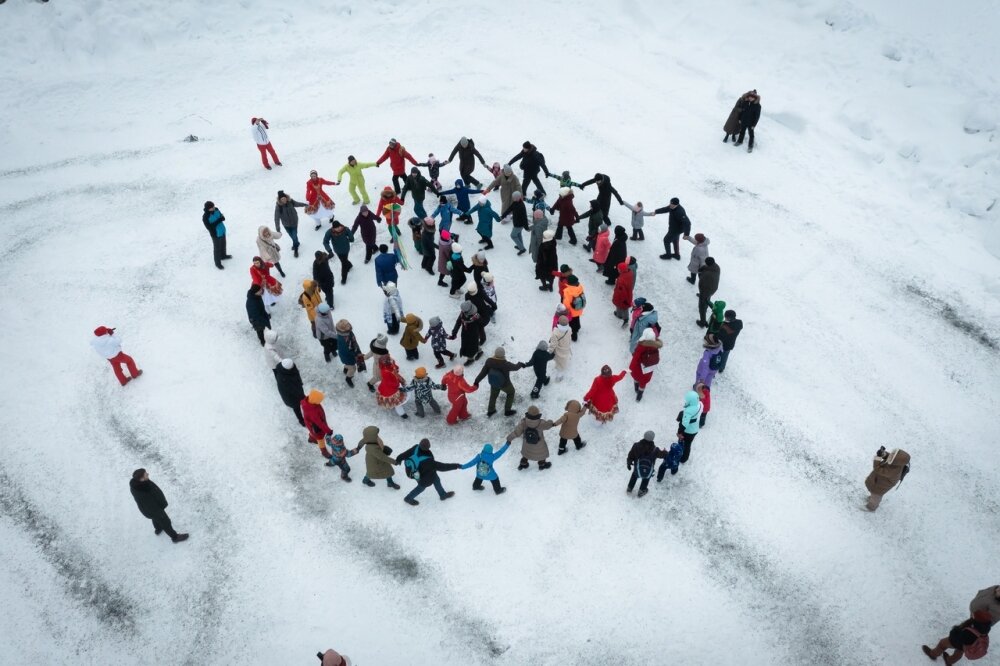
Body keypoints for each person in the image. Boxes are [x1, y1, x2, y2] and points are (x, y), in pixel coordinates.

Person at [129, 469, 189, 543]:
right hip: (154, 509)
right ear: (141, 479)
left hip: (152, 510)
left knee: (155, 518)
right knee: (165, 522)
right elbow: (152, 507)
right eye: (146, 474)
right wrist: (160, 510)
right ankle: (175, 537)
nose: (148, 474)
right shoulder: (143, 492)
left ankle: (158, 528)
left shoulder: (140, 484)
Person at [396, 438, 460, 505]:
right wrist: (456, 466)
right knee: (421, 487)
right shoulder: (428, 460)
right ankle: (408, 498)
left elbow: (404, 454)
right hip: (425, 476)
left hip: (413, 472)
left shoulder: (416, 447)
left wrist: (398, 459)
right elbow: (443, 467)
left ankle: (442, 495)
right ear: (429, 447)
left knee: (436, 480)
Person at [922, 610, 992, 665]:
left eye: (974, 616)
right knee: (958, 653)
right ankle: (949, 661)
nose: (972, 615)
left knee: (942, 644)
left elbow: (955, 637)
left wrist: (955, 630)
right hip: (966, 646)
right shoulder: (984, 628)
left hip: (959, 642)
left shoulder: (970, 631)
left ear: (977, 620)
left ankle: (933, 654)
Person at [472, 347, 524, 416]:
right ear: (503, 355)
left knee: (493, 396)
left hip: (494, 382)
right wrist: (520, 364)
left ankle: (491, 410)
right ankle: (507, 410)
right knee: (511, 392)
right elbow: (516, 367)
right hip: (505, 384)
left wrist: (476, 381)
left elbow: (483, 372)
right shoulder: (506, 364)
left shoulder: (489, 361)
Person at [507, 405, 555, 470]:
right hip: (539, 444)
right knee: (541, 454)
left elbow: (516, 433)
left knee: (526, 454)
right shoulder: (541, 423)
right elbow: (548, 425)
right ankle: (542, 464)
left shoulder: (523, 422)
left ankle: (523, 463)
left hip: (527, 444)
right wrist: (550, 421)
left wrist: (509, 438)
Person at [864, 447, 911, 511]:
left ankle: (871, 507)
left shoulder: (894, 471)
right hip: (879, 480)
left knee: (876, 495)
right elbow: (890, 457)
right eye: (892, 454)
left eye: (893, 455)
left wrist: (878, 457)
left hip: (882, 485)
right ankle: (871, 498)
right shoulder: (897, 462)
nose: (891, 455)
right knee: (873, 492)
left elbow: (877, 469)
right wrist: (883, 454)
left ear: (896, 460)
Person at [360, 425, 401, 490]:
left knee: (387, 470)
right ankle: (365, 480)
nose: (377, 435)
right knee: (371, 472)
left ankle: (390, 482)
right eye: (376, 434)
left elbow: (362, 441)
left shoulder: (371, 438)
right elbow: (383, 457)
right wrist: (395, 462)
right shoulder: (373, 448)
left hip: (377, 457)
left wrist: (358, 447)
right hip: (374, 461)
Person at [626, 432, 664, 497]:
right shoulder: (655, 450)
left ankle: (630, 488)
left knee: (634, 475)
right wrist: (665, 452)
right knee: (646, 477)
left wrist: (629, 463)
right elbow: (662, 455)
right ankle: (642, 490)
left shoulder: (636, 445)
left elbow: (631, 455)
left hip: (637, 468)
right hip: (648, 469)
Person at [629, 328, 663, 401]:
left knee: (636, 377)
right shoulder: (655, 345)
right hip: (649, 368)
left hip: (639, 367)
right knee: (643, 382)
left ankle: (636, 388)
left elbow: (635, 358)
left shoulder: (641, 346)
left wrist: (630, 368)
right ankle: (639, 395)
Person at [670, 391, 702, 466]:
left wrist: (679, 433)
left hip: (688, 432)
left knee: (685, 444)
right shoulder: (700, 404)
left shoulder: (688, 411)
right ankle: (685, 456)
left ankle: (683, 458)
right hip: (695, 429)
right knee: (688, 444)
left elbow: (684, 424)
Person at [273, 358, 306, 425]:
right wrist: (302, 396)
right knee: (296, 408)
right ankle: (301, 420)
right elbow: (293, 389)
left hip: (295, 391)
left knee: (301, 403)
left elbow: (297, 374)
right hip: (290, 397)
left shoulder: (287, 367)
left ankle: (305, 413)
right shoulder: (284, 379)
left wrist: (300, 382)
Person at [274, 190, 306, 257]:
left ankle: (296, 249)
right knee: (292, 236)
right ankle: (297, 243)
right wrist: (278, 229)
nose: (284, 200)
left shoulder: (291, 202)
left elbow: (298, 204)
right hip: (286, 225)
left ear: (286, 197)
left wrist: (305, 205)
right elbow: (276, 218)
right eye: (282, 199)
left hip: (294, 223)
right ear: (280, 200)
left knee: (294, 236)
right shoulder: (278, 207)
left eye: (284, 198)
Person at [451, 300, 483, 365]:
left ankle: (470, 359)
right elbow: (458, 322)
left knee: (471, 346)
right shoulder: (463, 314)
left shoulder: (476, 316)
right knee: (467, 344)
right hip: (465, 332)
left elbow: (481, 323)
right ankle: (479, 351)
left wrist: (478, 321)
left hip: (473, 333)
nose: (462, 311)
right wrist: (454, 331)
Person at [333, 319, 362, 388]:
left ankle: (345, 369)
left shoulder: (348, 332)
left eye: (348, 324)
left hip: (349, 354)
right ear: (343, 329)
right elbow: (347, 351)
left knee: (348, 365)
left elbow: (352, 343)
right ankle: (348, 378)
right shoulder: (343, 339)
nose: (349, 325)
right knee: (353, 368)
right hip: (346, 356)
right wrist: (356, 354)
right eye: (347, 325)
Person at [202, 201, 229, 269]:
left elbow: (221, 216)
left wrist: (222, 217)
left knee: (223, 244)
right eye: (212, 207)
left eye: (214, 206)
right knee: (217, 249)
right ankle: (217, 263)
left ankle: (223, 255)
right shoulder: (205, 217)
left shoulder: (216, 209)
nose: (214, 208)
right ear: (208, 209)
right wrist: (219, 220)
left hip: (222, 230)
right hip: (215, 234)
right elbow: (209, 227)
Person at [696, 257, 721, 327]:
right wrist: (704, 268)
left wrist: (700, 272)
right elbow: (707, 268)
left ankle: (702, 322)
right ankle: (706, 304)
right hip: (712, 289)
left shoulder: (707, 274)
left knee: (702, 306)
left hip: (705, 291)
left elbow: (701, 281)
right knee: (707, 298)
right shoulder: (716, 267)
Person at [562, 275, 586, 341]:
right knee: (577, 318)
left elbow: (566, 302)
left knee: (572, 323)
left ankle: (574, 335)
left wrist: (565, 310)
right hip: (579, 308)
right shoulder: (580, 287)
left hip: (571, 311)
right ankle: (578, 327)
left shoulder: (567, 291)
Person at [612, 259, 635, 327]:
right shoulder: (629, 272)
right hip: (628, 294)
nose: (618, 270)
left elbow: (622, 292)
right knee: (623, 307)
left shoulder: (621, 280)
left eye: (618, 269)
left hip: (622, 297)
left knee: (622, 306)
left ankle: (624, 318)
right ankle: (620, 315)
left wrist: (624, 300)